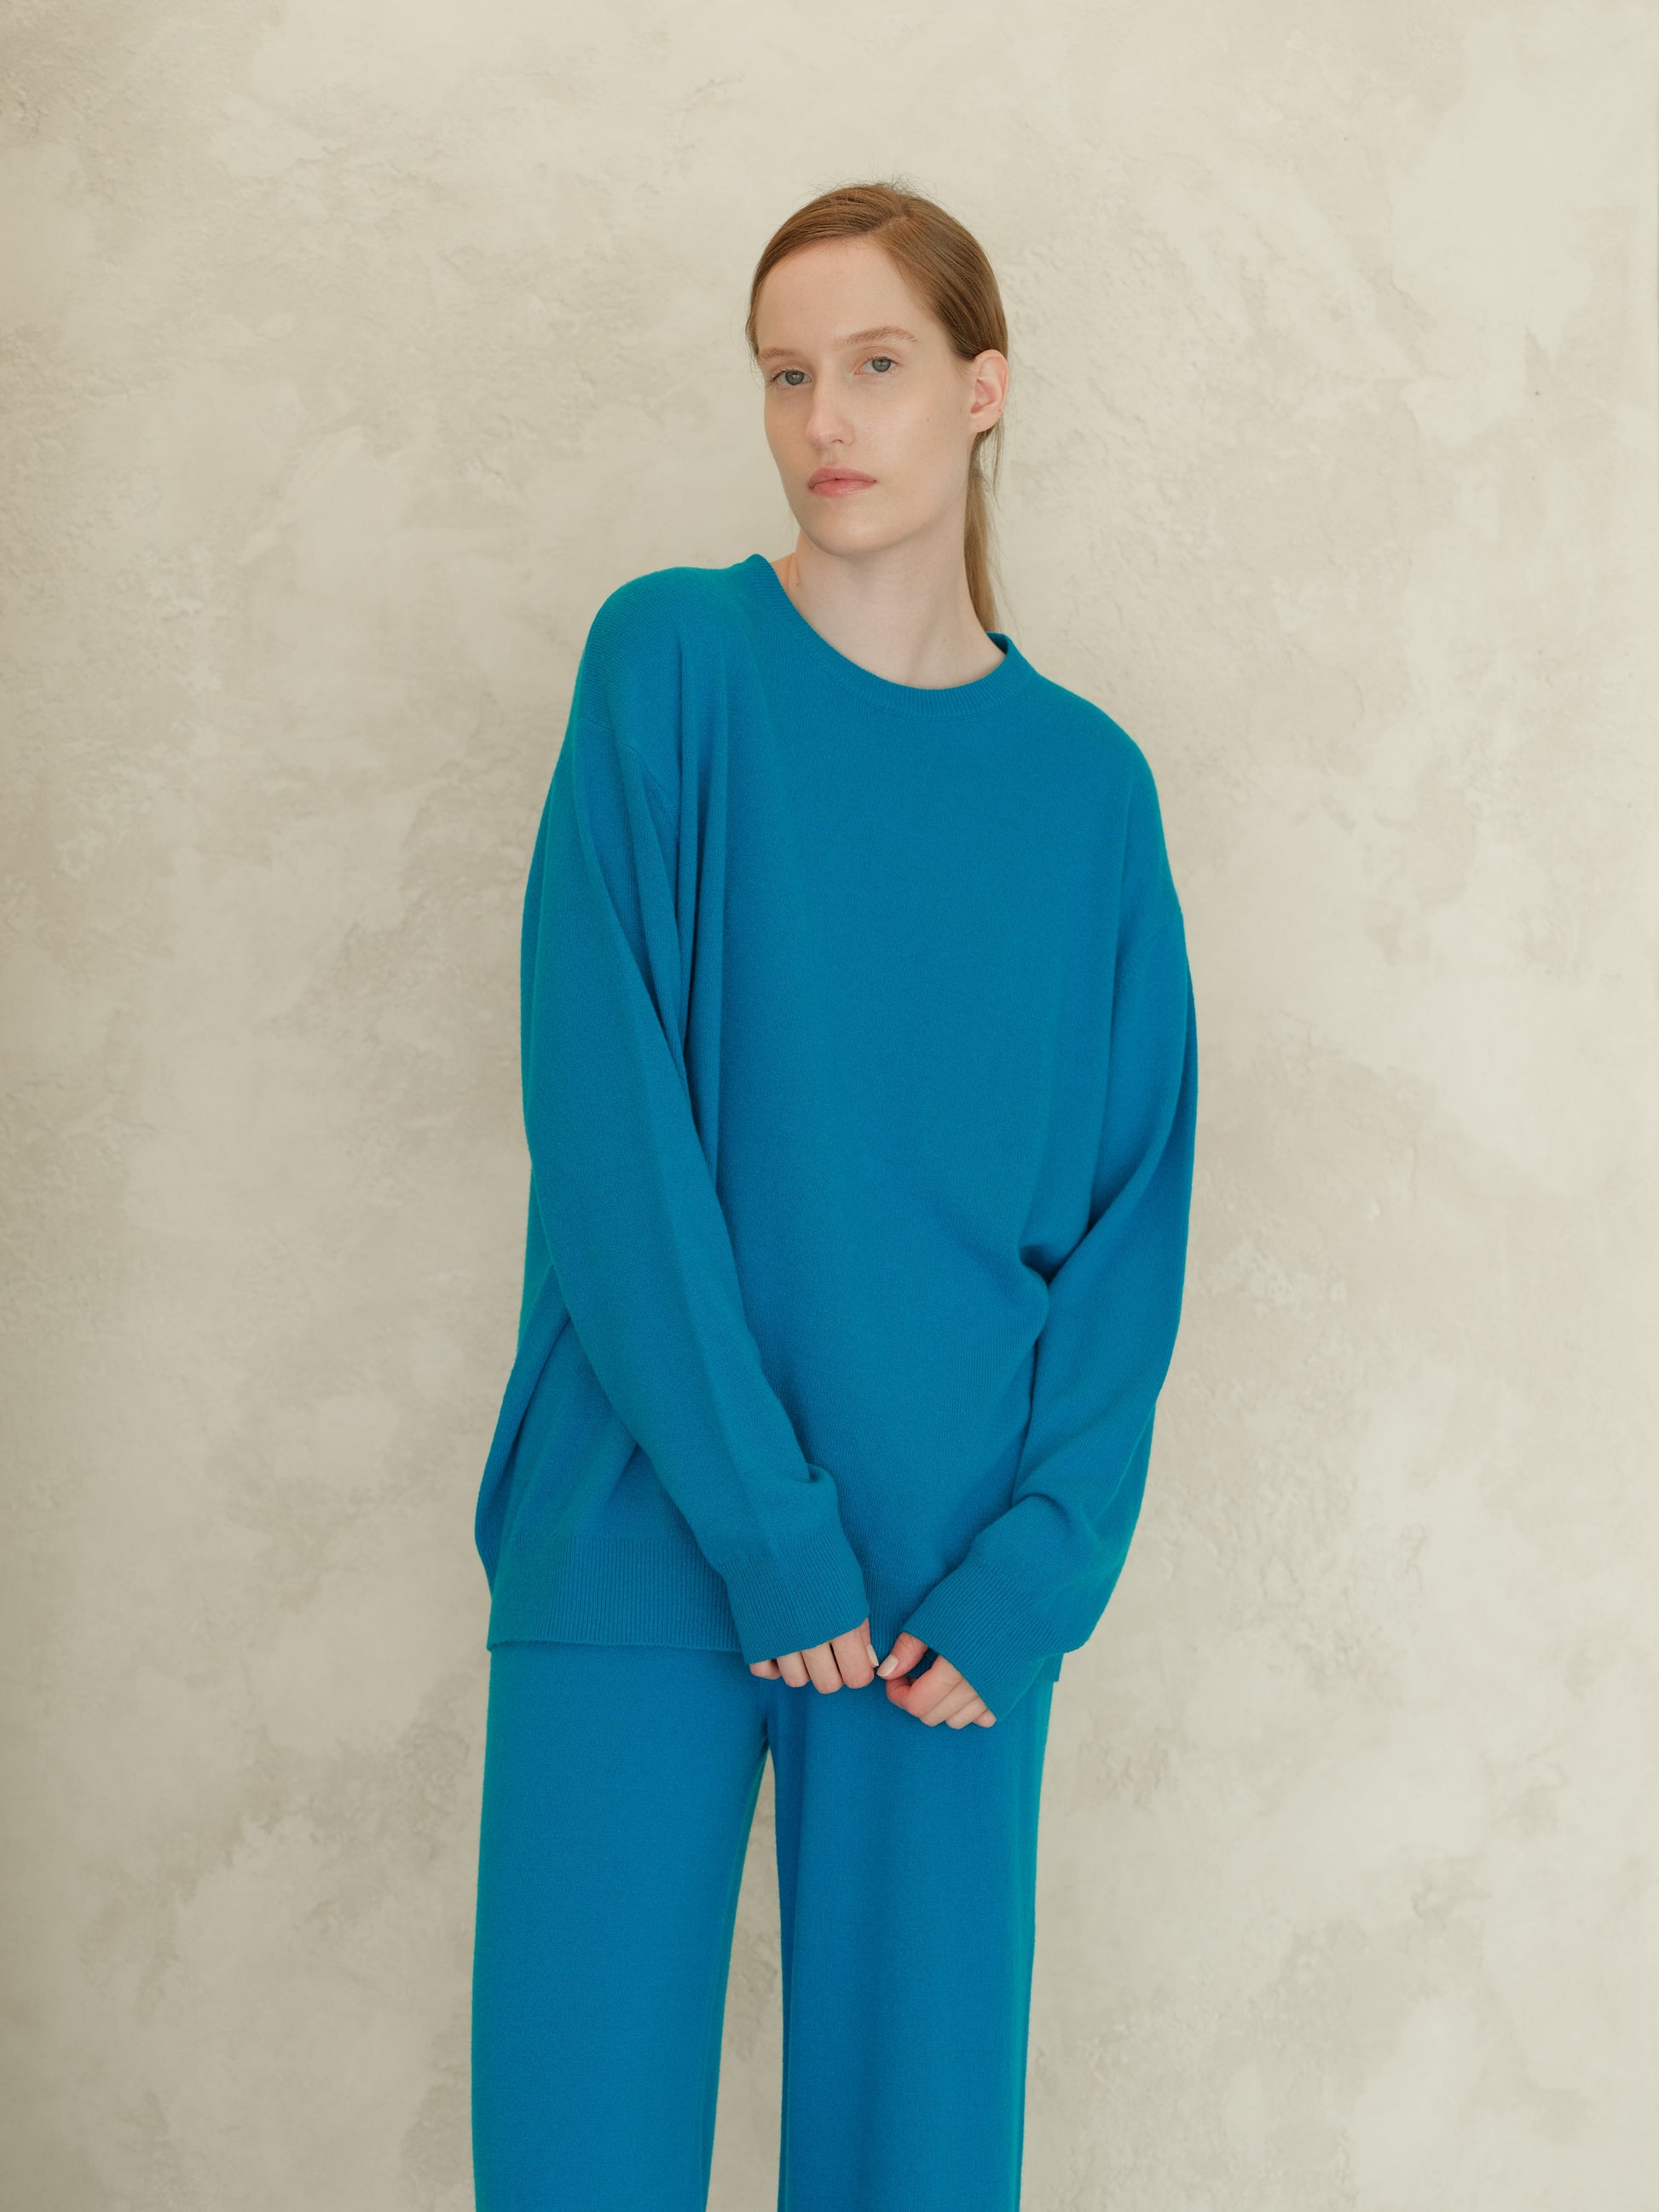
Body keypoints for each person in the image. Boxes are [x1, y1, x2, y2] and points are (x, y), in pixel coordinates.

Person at [468, 178, 1199, 2212]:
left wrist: (1039, 1564)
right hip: (640, 1521)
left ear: (983, 389)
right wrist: (766, 1526)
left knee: (918, 2168)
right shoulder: (671, 663)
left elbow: (1130, 1216)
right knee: (574, 2156)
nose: (824, 419)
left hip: (947, 1582)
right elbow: (608, 1128)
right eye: (785, 375)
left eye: (875, 364)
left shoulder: (1087, 787)